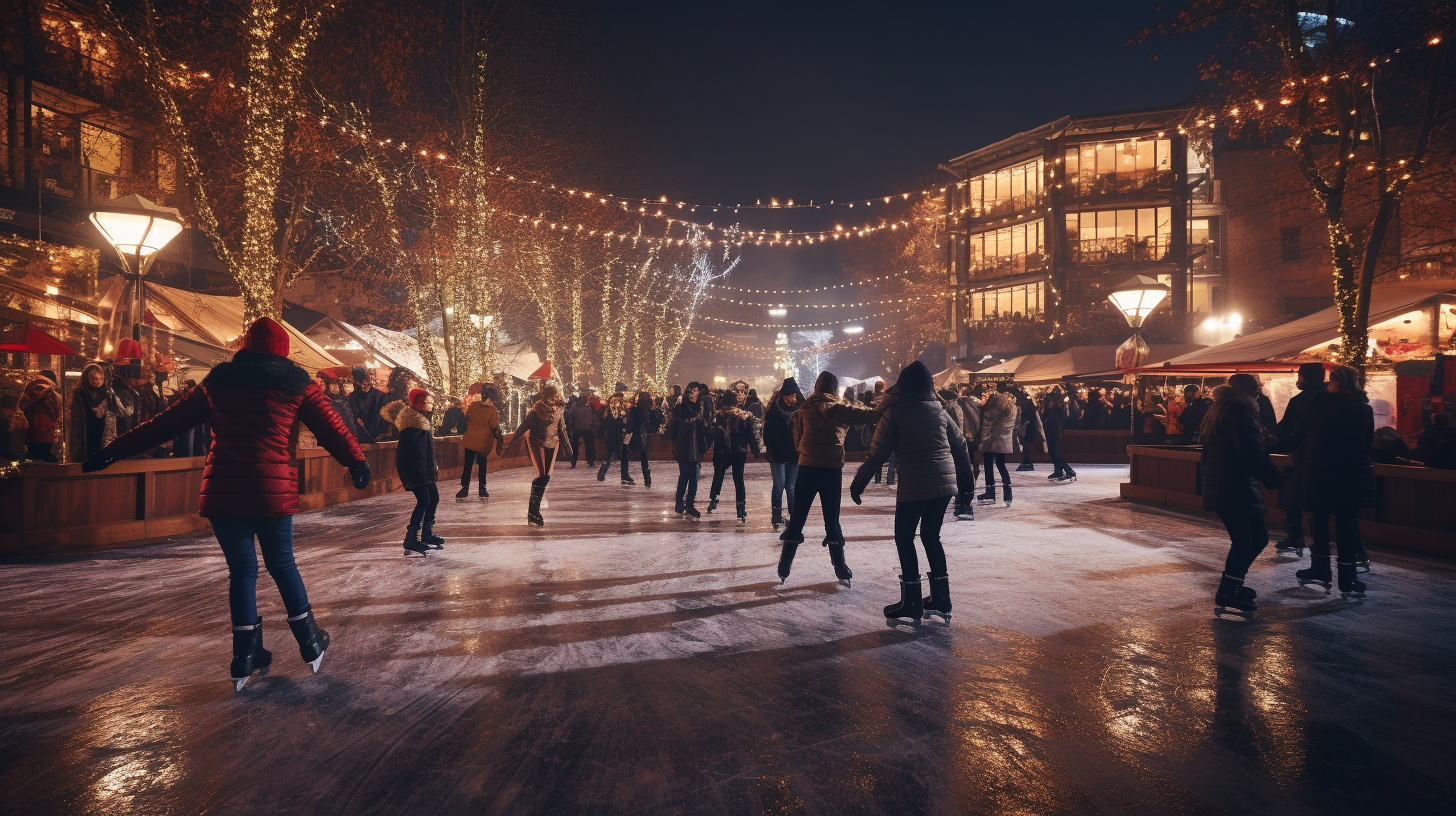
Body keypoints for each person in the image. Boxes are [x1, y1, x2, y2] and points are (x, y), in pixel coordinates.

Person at [82, 317, 370, 691]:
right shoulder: (297, 384)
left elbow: (164, 424)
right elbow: (333, 425)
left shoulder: (218, 382)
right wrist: (356, 462)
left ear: (245, 348)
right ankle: (309, 639)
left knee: (242, 571)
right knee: (282, 563)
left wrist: (110, 452)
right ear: (283, 352)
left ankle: (245, 655)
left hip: (223, 491)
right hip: (271, 490)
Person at [850, 361, 975, 624]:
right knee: (931, 537)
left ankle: (911, 601)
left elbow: (878, 452)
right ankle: (941, 598)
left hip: (917, 484)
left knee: (904, 538)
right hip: (944, 484)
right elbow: (960, 444)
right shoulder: (937, 408)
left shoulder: (895, 410)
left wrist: (858, 482)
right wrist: (967, 483)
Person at [777, 371, 876, 586]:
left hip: (807, 467)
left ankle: (784, 565)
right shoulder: (837, 408)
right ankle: (840, 567)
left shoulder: (804, 409)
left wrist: (807, 453)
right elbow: (867, 415)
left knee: (798, 519)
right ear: (833, 388)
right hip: (831, 469)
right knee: (832, 520)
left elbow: (798, 438)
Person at [1288, 364, 1375, 597]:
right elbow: (1368, 443)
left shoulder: (1318, 405)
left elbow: (1298, 434)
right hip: (1349, 472)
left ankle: (1320, 568)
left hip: (1320, 470)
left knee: (1320, 520)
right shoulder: (1362, 408)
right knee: (1346, 523)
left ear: (1333, 382)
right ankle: (1348, 578)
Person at [1198, 381, 1283, 618]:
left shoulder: (1221, 412)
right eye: (1256, 391)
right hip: (1234, 484)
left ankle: (1232, 586)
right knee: (1247, 541)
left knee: (1255, 538)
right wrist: (1277, 477)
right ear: (1245, 393)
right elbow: (1250, 455)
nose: (1258, 396)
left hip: (1228, 484)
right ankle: (1228, 590)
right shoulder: (1240, 415)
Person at [1272, 363, 1325, 554]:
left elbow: (1288, 429)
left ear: (1305, 377)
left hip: (1304, 458)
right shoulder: (1334, 398)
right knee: (1323, 505)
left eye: (1299, 376)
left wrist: (1271, 443)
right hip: (1331, 460)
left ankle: (1296, 538)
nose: (1298, 380)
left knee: (1292, 497)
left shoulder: (1301, 401)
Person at [504, 384, 571, 526]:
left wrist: (568, 446)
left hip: (553, 443)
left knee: (545, 477)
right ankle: (533, 511)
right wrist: (511, 445)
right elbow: (524, 427)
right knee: (542, 476)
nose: (555, 398)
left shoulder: (559, 408)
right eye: (552, 396)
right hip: (537, 442)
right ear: (547, 397)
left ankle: (534, 511)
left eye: (556, 396)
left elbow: (562, 427)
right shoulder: (537, 410)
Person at [393, 388, 442, 555]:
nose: (430, 404)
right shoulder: (413, 424)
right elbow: (416, 452)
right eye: (427, 402)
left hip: (422, 467)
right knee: (424, 499)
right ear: (420, 403)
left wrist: (431, 468)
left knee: (433, 497)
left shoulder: (421, 421)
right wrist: (425, 472)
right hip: (413, 467)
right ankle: (411, 537)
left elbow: (426, 451)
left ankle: (426, 533)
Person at [706, 390, 762, 521]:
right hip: (738, 450)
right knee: (738, 479)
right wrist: (754, 449)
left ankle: (714, 499)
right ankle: (740, 507)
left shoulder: (718, 415)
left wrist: (706, 446)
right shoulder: (742, 415)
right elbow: (749, 434)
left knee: (718, 476)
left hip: (721, 451)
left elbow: (711, 433)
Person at [69, 362, 131, 463]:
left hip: (102, 431)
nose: (97, 382)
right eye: (93, 379)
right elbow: (75, 419)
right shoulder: (80, 393)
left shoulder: (107, 393)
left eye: (99, 378)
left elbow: (119, 413)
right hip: (85, 433)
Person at [668, 382, 711, 518]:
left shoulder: (701, 408)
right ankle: (679, 501)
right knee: (684, 475)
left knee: (693, 478)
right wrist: (675, 444)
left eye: (697, 391)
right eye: (692, 391)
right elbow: (673, 429)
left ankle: (690, 504)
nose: (694, 393)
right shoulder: (681, 408)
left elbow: (706, 428)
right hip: (683, 446)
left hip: (696, 447)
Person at [763, 378, 802, 529]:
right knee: (779, 486)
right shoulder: (774, 410)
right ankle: (776, 516)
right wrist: (772, 448)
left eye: (795, 395)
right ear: (785, 396)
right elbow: (768, 433)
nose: (794, 398)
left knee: (791, 487)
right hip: (777, 454)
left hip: (793, 454)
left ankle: (794, 516)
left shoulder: (800, 409)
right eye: (791, 395)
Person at [976, 383, 1019, 506]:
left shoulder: (1001, 403)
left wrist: (984, 408)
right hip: (1004, 440)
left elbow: (988, 415)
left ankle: (990, 493)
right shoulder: (1014, 406)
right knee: (1001, 465)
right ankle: (1008, 493)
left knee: (989, 465)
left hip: (993, 439)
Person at [458, 383, 503, 498]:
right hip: (483, 442)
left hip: (470, 440)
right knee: (482, 465)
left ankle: (464, 488)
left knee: (467, 465)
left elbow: (467, 418)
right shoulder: (492, 410)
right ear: (489, 398)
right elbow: (494, 426)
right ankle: (482, 489)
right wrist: (499, 438)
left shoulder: (473, 406)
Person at [19, 373, 61, 462]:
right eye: (36, 389)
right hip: (34, 438)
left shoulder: (48, 402)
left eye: (40, 390)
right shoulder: (31, 406)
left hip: (45, 437)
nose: (37, 392)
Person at [622, 390, 658, 486]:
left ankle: (625, 475)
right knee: (644, 458)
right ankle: (647, 479)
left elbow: (631, 423)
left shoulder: (635, 409)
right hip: (644, 436)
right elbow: (655, 422)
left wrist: (627, 431)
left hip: (634, 435)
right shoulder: (650, 409)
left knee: (625, 453)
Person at [1042, 385, 1075, 482]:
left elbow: (1053, 418)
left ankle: (1068, 470)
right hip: (1054, 431)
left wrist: (1051, 407)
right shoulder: (1058, 408)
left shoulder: (1058, 408)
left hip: (1054, 432)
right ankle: (1058, 470)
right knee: (1053, 453)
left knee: (1054, 454)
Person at [347, 367, 389, 443]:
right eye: (360, 382)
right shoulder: (352, 397)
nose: (364, 384)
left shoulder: (380, 396)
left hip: (378, 439)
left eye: (365, 381)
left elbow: (383, 418)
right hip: (360, 438)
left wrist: (380, 434)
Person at [595, 392, 628, 481]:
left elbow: (604, 426)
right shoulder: (620, 414)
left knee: (610, 456)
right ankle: (624, 476)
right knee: (618, 457)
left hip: (613, 438)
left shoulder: (611, 415)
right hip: (617, 438)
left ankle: (601, 474)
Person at [1014, 388, 1044, 471]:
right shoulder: (1029, 406)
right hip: (1028, 427)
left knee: (1025, 445)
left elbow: (1034, 419)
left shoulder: (1026, 406)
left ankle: (1027, 461)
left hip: (1027, 428)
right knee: (1025, 445)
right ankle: (1026, 461)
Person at [567, 392, 599, 468]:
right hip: (587, 428)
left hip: (577, 428)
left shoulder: (574, 408)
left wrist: (571, 428)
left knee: (575, 446)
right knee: (590, 445)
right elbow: (594, 418)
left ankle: (573, 462)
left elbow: (571, 418)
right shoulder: (590, 408)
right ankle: (591, 461)